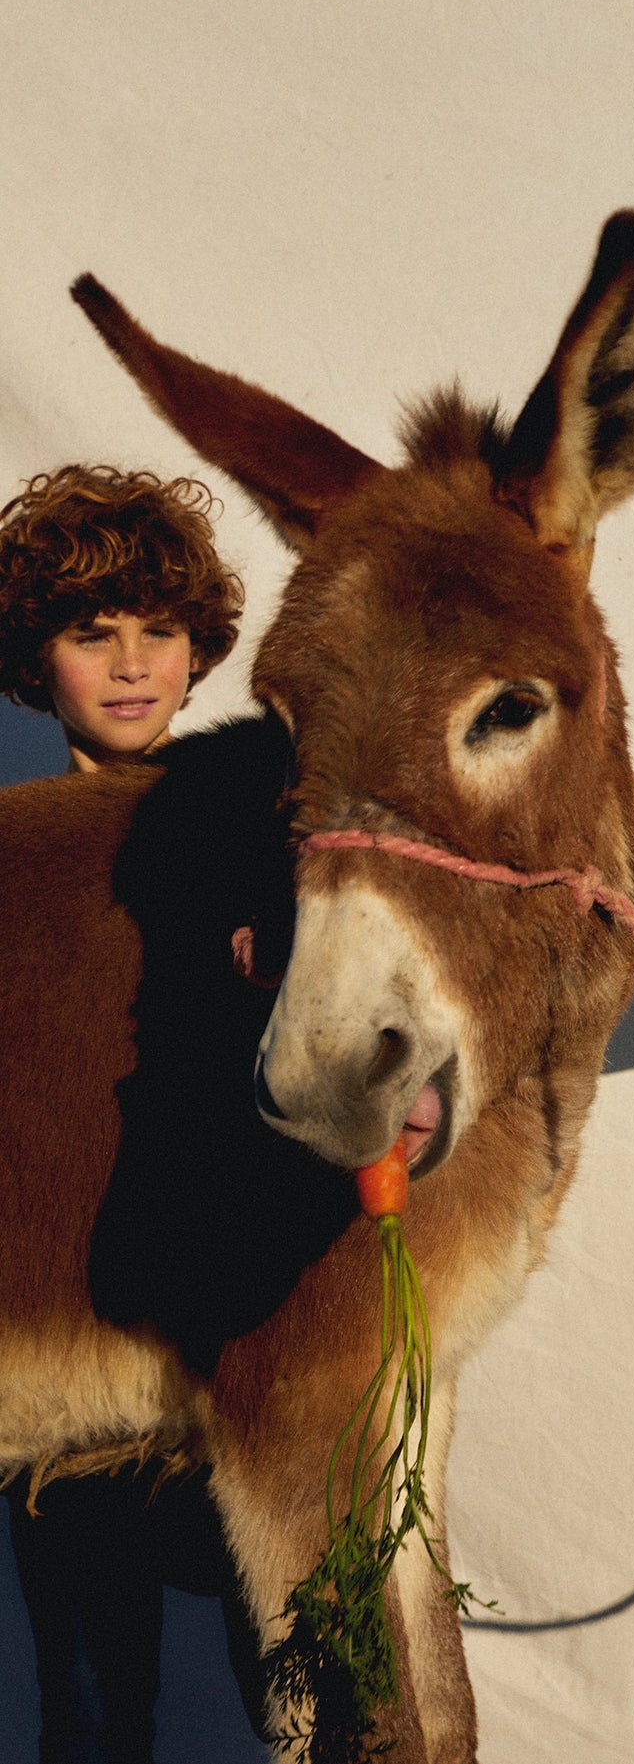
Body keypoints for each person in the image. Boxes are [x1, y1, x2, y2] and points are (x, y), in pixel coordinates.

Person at [0, 463, 253, 1763]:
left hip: (255, 1332)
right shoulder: (11, 855)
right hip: (67, 1346)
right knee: (94, 1715)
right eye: (92, 631)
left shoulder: (275, 826)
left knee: (328, 1692)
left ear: (201, 648)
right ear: (33, 658)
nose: (132, 662)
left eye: (159, 628)